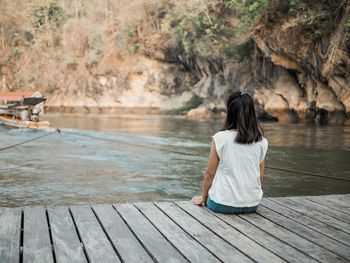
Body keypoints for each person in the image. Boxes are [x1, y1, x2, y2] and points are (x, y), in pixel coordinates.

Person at [191, 91, 268, 214]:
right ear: (252, 114)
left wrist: (203, 197)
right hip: (252, 205)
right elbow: (260, 176)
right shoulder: (262, 141)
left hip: (222, 204)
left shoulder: (220, 138)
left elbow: (209, 174)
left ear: (230, 113)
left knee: (210, 196)